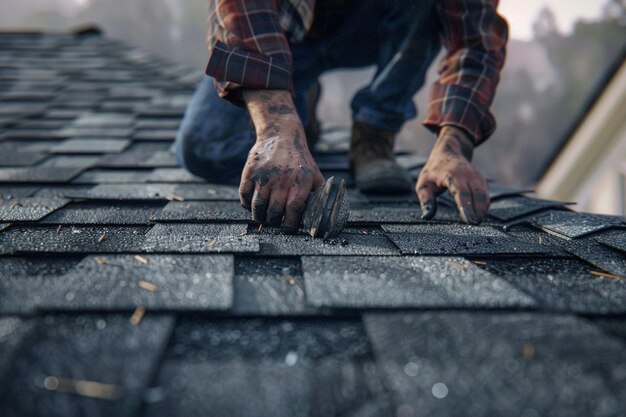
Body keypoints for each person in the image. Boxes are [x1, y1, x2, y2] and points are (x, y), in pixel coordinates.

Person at [175, 0, 508, 231]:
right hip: (283, 38)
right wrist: (278, 127)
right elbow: (241, 12)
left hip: (376, 26)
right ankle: (298, 97)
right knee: (206, 149)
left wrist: (454, 145)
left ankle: (374, 133)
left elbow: (476, 43)